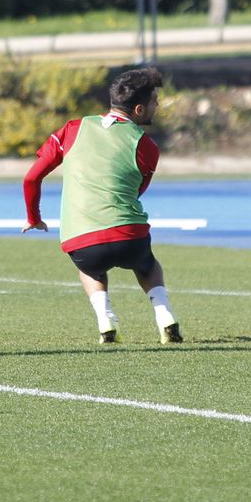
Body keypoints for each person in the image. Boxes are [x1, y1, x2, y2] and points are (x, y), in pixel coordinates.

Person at [22, 67, 182, 344]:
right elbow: (136, 191)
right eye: (156, 101)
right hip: (130, 236)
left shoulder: (72, 129)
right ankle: (164, 314)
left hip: (81, 240)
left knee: (90, 269)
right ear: (140, 109)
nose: (158, 106)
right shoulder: (147, 146)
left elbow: (31, 177)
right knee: (146, 265)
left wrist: (34, 217)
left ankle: (106, 321)